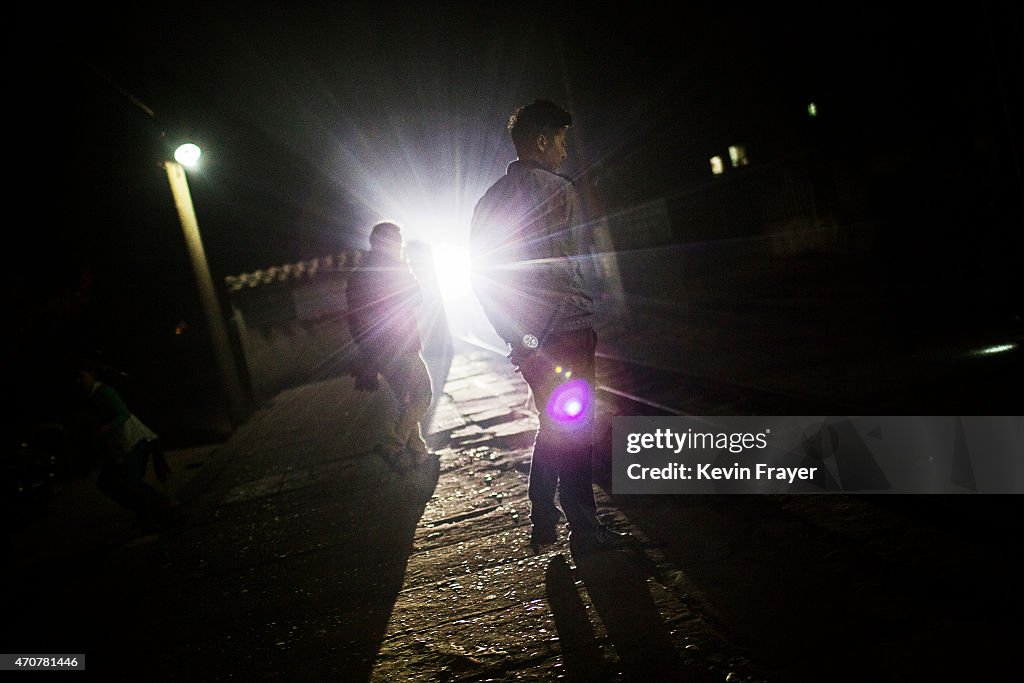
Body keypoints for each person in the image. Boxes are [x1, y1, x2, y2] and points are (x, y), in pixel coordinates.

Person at [469, 99, 632, 558]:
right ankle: (584, 527)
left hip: (529, 340)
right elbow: (571, 265)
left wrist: (516, 336)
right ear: (541, 141)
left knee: (554, 423)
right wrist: (583, 312)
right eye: (560, 140)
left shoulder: (488, 201)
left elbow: (480, 277)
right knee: (575, 428)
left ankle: (544, 517)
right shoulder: (560, 191)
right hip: (568, 332)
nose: (564, 150)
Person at [345, 221, 433, 467]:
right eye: (398, 241)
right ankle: (391, 444)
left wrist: (366, 354)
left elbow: (355, 318)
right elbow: (417, 296)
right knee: (423, 395)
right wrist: (403, 266)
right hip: (401, 345)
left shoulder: (359, 274)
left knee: (407, 400)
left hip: (378, 351)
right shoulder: (392, 268)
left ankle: (418, 450)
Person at [74, 360, 182, 534]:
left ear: (93, 375)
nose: (78, 381)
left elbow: (123, 412)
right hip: (117, 449)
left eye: (81, 376)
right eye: (75, 378)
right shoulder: (87, 398)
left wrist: (107, 427)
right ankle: (149, 513)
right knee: (108, 483)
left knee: (128, 482)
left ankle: (164, 504)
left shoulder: (103, 392)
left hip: (133, 441)